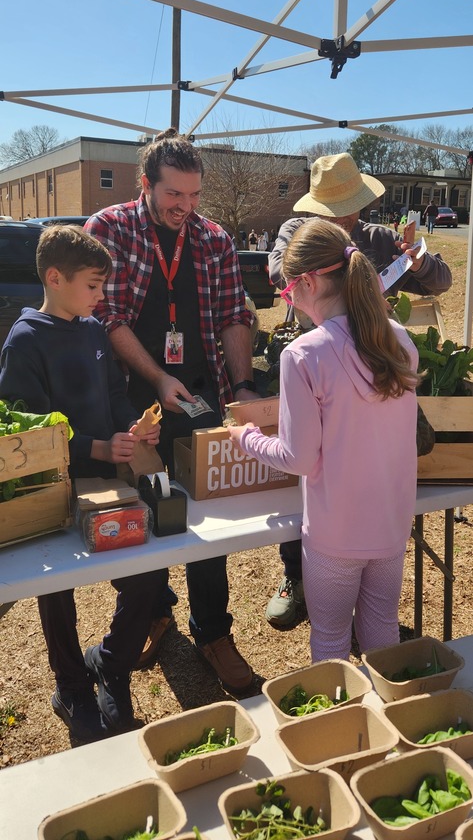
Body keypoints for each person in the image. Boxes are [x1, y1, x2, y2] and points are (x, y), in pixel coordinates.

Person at [85, 129, 258, 695]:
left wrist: (244, 386)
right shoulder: (108, 229)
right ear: (146, 185)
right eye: (173, 197)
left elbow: (234, 313)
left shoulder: (213, 239)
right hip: (133, 396)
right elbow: (105, 317)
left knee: (205, 515)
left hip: (198, 394)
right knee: (146, 505)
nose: (185, 208)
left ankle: (213, 630)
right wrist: (157, 377)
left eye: (194, 197)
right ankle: (154, 608)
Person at [267, 152, 452, 628]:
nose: (346, 216)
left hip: (375, 359)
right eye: (336, 209)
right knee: (316, 468)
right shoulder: (295, 234)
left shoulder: (380, 238)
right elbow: (278, 273)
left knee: (354, 460)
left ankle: (337, 561)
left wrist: (419, 259)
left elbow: (442, 281)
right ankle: (297, 574)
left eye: (351, 207)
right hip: (324, 354)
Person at [0, 226, 164, 743]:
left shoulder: (94, 330)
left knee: (147, 575)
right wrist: (94, 446)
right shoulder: (24, 342)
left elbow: (115, 394)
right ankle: (71, 685)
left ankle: (111, 663)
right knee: (57, 590)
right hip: (52, 491)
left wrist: (134, 427)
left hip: (107, 482)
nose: (100, 297)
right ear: (55, 277)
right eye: (93, 286)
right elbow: (28, 436)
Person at [229, 219, 419, 661]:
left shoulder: (303, 354)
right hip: (391, 525)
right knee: (382, 636)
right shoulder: (401, 340)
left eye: (287, 289)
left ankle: (336, 728)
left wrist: (247, 436)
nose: (288, 299)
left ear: (309, 282)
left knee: (330, 645)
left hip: (335, 533)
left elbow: (297, 458)